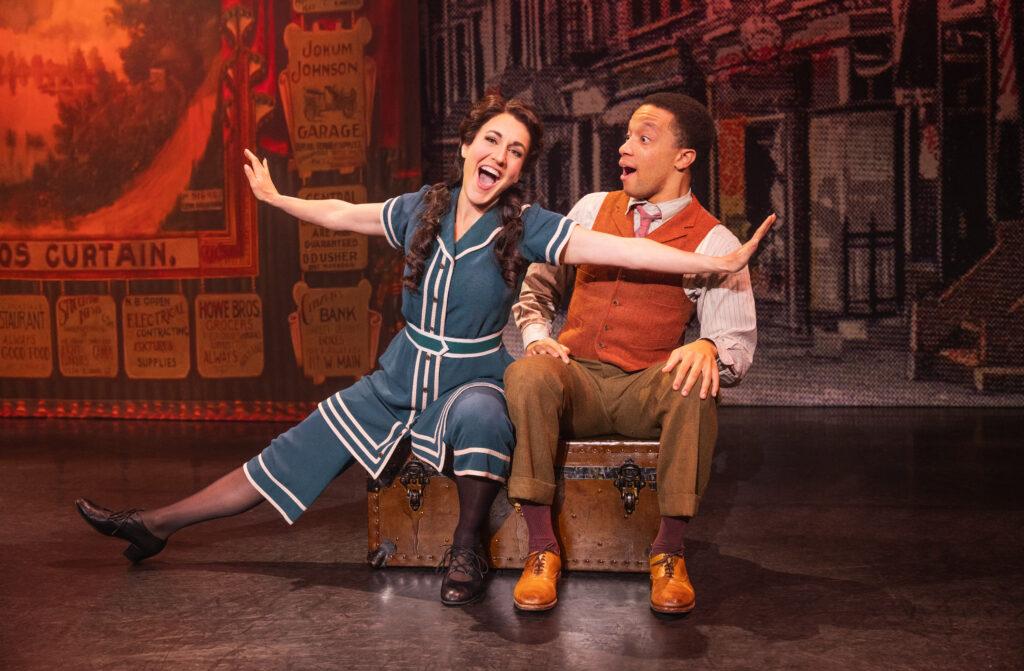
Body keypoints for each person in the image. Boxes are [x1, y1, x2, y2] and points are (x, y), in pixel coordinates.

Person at [76, 94, 772, 607]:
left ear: (520, 169)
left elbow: (608, 246)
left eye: (516, 152)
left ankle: (468, 547)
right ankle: (155, 523)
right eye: (491, 142)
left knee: (480, 411)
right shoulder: (421, 208)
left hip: (472, 376)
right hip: (399, 375)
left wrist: (716, 264)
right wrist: (280, 199)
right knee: (288, 452)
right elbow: (346, 215)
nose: (499, 157)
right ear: (468, 146)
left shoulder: (524, 225)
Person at [506, 92, 762, 614]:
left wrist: (710, 347)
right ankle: (541, 548)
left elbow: (736, 343)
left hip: (645, 388)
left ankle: (668, 553)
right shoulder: (591, 210)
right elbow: (537, 289)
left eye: (643, 138)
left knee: (696, 382)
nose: (624, 148)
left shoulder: (713, 242)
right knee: (528, 373)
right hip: (576, 378)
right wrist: (538, 336)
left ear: (683, 157)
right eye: (626, 137)